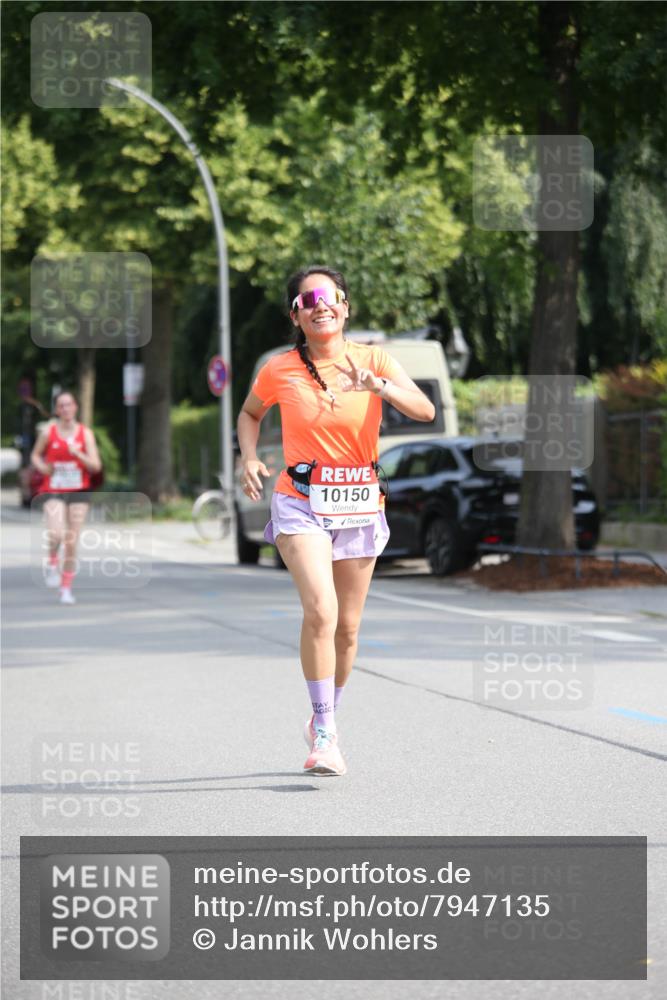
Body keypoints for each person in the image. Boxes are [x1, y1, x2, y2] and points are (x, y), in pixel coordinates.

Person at [237, 266, 435, 776]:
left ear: (345, 307)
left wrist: (381, 387)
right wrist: (250, 456)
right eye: (309, 299)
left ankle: (324, 714)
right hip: (299, 499)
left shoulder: (375, 360)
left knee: (347, 629)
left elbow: (425, 410)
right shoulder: (280, 369)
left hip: (360, 503)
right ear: (296, 315)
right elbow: (250, 414)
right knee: (321, 611)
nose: (321, 304)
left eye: (331, 296)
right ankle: (325, 735)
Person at [30, 390, 102, 605]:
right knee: (56, 533)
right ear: (56, 410)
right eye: (61, 405)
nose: (65, 409)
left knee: (71, 541)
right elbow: (35, 455)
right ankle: (52, 561)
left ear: (75, 407)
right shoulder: (48, 432)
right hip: (53, 489)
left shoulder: (85, 434)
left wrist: (78, 454)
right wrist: (43, 467)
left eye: (69, 404)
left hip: (79, 491)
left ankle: (66, 587)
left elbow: (96, 466)